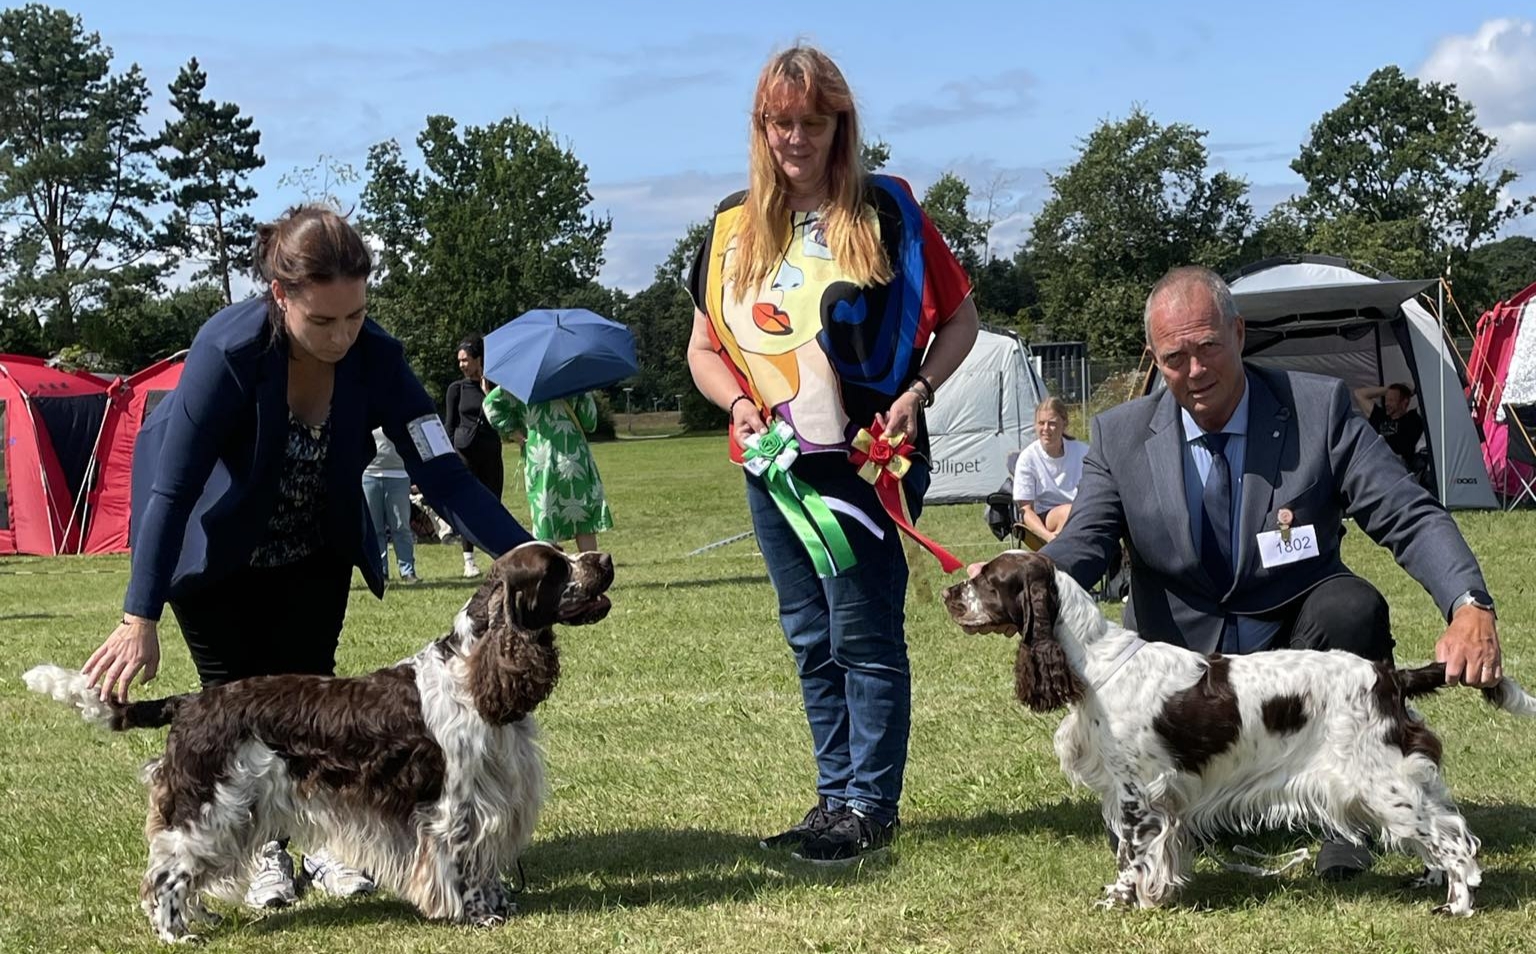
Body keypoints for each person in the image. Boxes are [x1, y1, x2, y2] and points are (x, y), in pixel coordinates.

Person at [81, 204, 534, 909]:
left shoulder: (376, 357)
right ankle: (263, 854)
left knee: (313, 702)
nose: (342, 335)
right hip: (216, 542)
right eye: (323, 322)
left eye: (354, 316)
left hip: (314, 542)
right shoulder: (228, 353)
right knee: (237, 706)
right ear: (280, 295)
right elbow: (171, 490)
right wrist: (138, 615)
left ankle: (328, 841)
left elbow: (442, 473)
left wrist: (522, 553)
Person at [1040, 265, 1502, 880]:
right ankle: (1196, 805)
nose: (1196, 370)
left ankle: (1351, 818)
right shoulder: (1119, 434)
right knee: (1157, 818)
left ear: (1239, 332)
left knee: (1351, 606)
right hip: (1180, 696)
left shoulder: (1319, 409)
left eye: (1208, 346)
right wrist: (1023, 581)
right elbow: (1083, 544)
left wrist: (1468, 602)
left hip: (1292, 664)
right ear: (1153, 358)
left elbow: (1408, 513)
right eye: (1175, 357)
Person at [686, 45, 978, 865]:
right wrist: (739, 405)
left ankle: (871, 805)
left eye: (812, 121)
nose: (795, 138)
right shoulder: (732, 231)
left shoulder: (886, 214)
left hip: (864, 459)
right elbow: (703, 349)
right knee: (809, 636)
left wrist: (917, 393)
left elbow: (962, 319)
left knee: (863, 633)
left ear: (839, 125)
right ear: (761, 128)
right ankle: (833, 797)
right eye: (780, 122)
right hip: (774, 466)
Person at [483, 386, 613, 552]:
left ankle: (550, 573)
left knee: (544, 518)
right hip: (573, 456)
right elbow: (589, 422)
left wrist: (514, 431)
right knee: (584, 521)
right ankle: (592, 572)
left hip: (540, 458)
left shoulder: (521, 382)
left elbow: (490, 404)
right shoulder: (574, 377)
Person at [445, 333, 504, 578]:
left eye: (466, 359)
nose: (462, 365)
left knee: (492, 505)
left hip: (490, 452)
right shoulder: (456, 389)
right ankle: (469, 561)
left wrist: (489, 393)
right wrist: (446, 456)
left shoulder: (494, 386)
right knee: (468, 506)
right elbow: (449, 424)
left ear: (479, 359)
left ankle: (497, 555)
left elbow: (503, 417)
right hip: (465, 454)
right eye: (459, 360)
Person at [1012, 397, 1089, 547]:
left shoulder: (1083, 452)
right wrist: (1048, 537)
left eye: (1052, 423)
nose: (1046, 429)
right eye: (1041, 423)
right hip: (1047, 517)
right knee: (1068, 513)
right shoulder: (1028, 458)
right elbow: (1026, 510)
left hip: (1083, 513)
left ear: (1064, 423)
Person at [363, 426, 419, 584]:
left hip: (399, 474)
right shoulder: (367, 409)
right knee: (374, 529)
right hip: (369, 474)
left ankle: (407, 571)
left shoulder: (399, 408)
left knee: (401, 527)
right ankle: (380, 571)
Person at [1353, 382, 1426, 470]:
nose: (1387, 404)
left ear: (1404, 402)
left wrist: (1411, 391)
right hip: (1377, 466)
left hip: (1399, 468)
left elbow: (1432, 402)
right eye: (1386, 399)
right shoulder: (1380, 417)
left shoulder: (1413, 418)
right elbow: (1359, 394)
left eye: (1391, 400)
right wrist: (1387, 389)